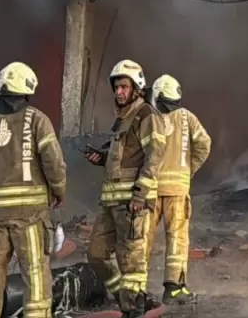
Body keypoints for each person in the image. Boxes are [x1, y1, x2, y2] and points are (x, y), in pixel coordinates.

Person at [0, 62, 67, 318]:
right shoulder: (37, 120)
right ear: (28, 89)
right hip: (29, 216)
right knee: (36, 275)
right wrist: (59, 190)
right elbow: (54, 161)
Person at [85, 60, 165, 317]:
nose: (118, 92)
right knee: (97, 254)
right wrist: (103, 158)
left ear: (137, 87)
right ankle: (125, 297)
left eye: (123, 87)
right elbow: (125, 158)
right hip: (111, 203)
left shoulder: (146, 115)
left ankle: (134, 309)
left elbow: (155, 156)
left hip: (132, 203)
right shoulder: (123, 119)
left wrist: (141, 194)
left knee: (131, 261)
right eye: (116, 87)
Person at [148, 74, 211, 306]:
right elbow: (204, 144)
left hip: (150, 190)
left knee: (142, 238)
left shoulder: (149, 119)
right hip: (177, 189)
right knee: (177, 238)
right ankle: (173, 288)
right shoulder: (187, 118)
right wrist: (188, 168)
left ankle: (135, 288)